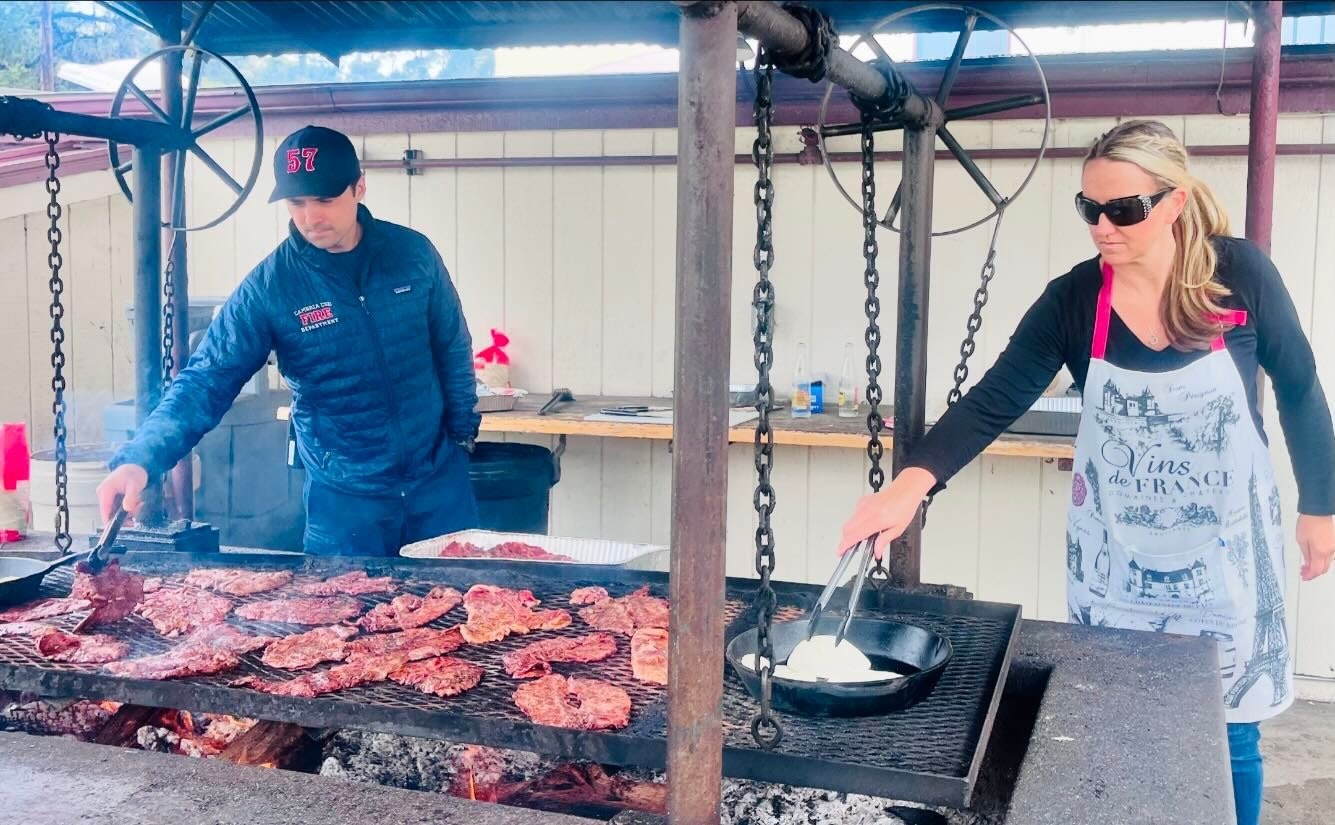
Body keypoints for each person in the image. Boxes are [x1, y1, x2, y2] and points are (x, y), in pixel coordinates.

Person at [838, 120, 1335, 825]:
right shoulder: (1073, 300)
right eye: (1088, 209)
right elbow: (992, 400)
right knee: (1120, 716)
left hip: (1225, 551)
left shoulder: (1239, 276)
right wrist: (908, 486)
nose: (1102, 226)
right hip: (1117, 557)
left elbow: (1300, 386)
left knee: (1230, 729)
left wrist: (1321, 505)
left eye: (1122, 209)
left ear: (1174, 201)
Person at [97, 125, 481, 555]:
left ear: (359, 188)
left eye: (325, 199)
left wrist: (462, 433)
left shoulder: (413, 254)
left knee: (463, 611)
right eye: (297, 202)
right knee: (346, 617)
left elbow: (452, 345)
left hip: (439, 485)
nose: (311, 216)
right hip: (345, 502)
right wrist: (140, 460)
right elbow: (205, 380)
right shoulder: (270, 288)